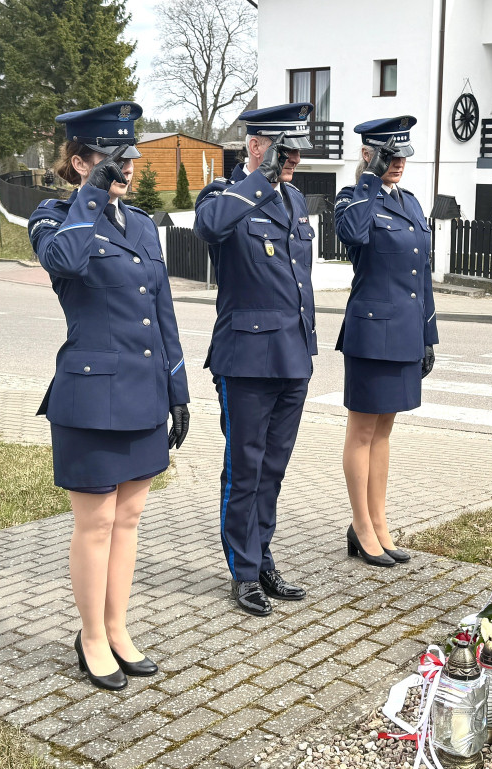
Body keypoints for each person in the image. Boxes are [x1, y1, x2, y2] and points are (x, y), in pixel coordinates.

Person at [30, 101, 191, 690]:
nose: (127, 166)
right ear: (80, 162)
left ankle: (117, 628)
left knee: (129, 519)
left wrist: (177, 388)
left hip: (144, 391)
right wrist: (91, 195)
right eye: (112, 157)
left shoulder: (143, 225)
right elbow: (65, 262)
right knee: (96, 523)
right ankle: (91, 637)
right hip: (92, 396)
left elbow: (162, 311)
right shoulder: (54, 218)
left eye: (130, 156)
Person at [193, 103, 316, 616]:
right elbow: (209, 227)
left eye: (297, 151)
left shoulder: (296, 199)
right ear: (256, 146)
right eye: (285, 150)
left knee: (273, 469)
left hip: (293, 356)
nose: (294, 159)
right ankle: (243, 571)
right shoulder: (223, 195)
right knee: (244, 468)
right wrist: (260, 179)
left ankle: (262, 556)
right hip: (246, 359)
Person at [333, 116, 438, 568]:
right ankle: (361, 525)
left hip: (405, 333)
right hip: (371, 335)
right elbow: (352, 235)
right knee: (362, 431)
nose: (397, 163)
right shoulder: (353, 198)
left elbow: (422, 276)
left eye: (401, 156)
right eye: (388, 156)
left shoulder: (409, 202)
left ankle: (379, 522)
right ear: (368, 154)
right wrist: (369, 179)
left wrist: (428, 335)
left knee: (384, 432)